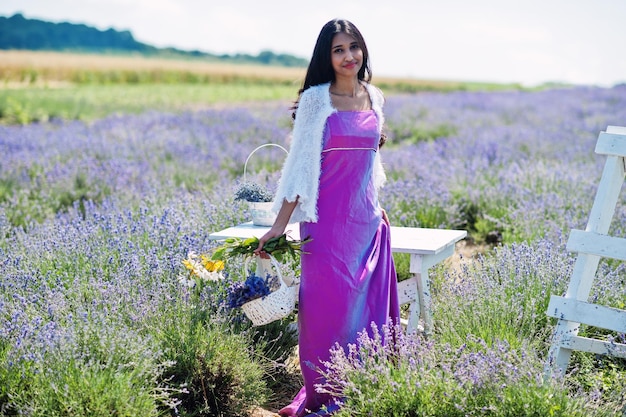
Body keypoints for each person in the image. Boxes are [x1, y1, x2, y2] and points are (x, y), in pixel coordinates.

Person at [254, 18, 400, 417]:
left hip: (366, 223)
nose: (349, 56)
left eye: (354, 47)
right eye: (338, 49)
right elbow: (299, 169)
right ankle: (325, 394)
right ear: (327, 56)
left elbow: (372, 162)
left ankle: (362, 387)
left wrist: (376, 203)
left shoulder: (375, 97)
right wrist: (279, 226)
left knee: (364, 312)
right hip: (326, 225)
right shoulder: (316, 102)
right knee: (326, 312)